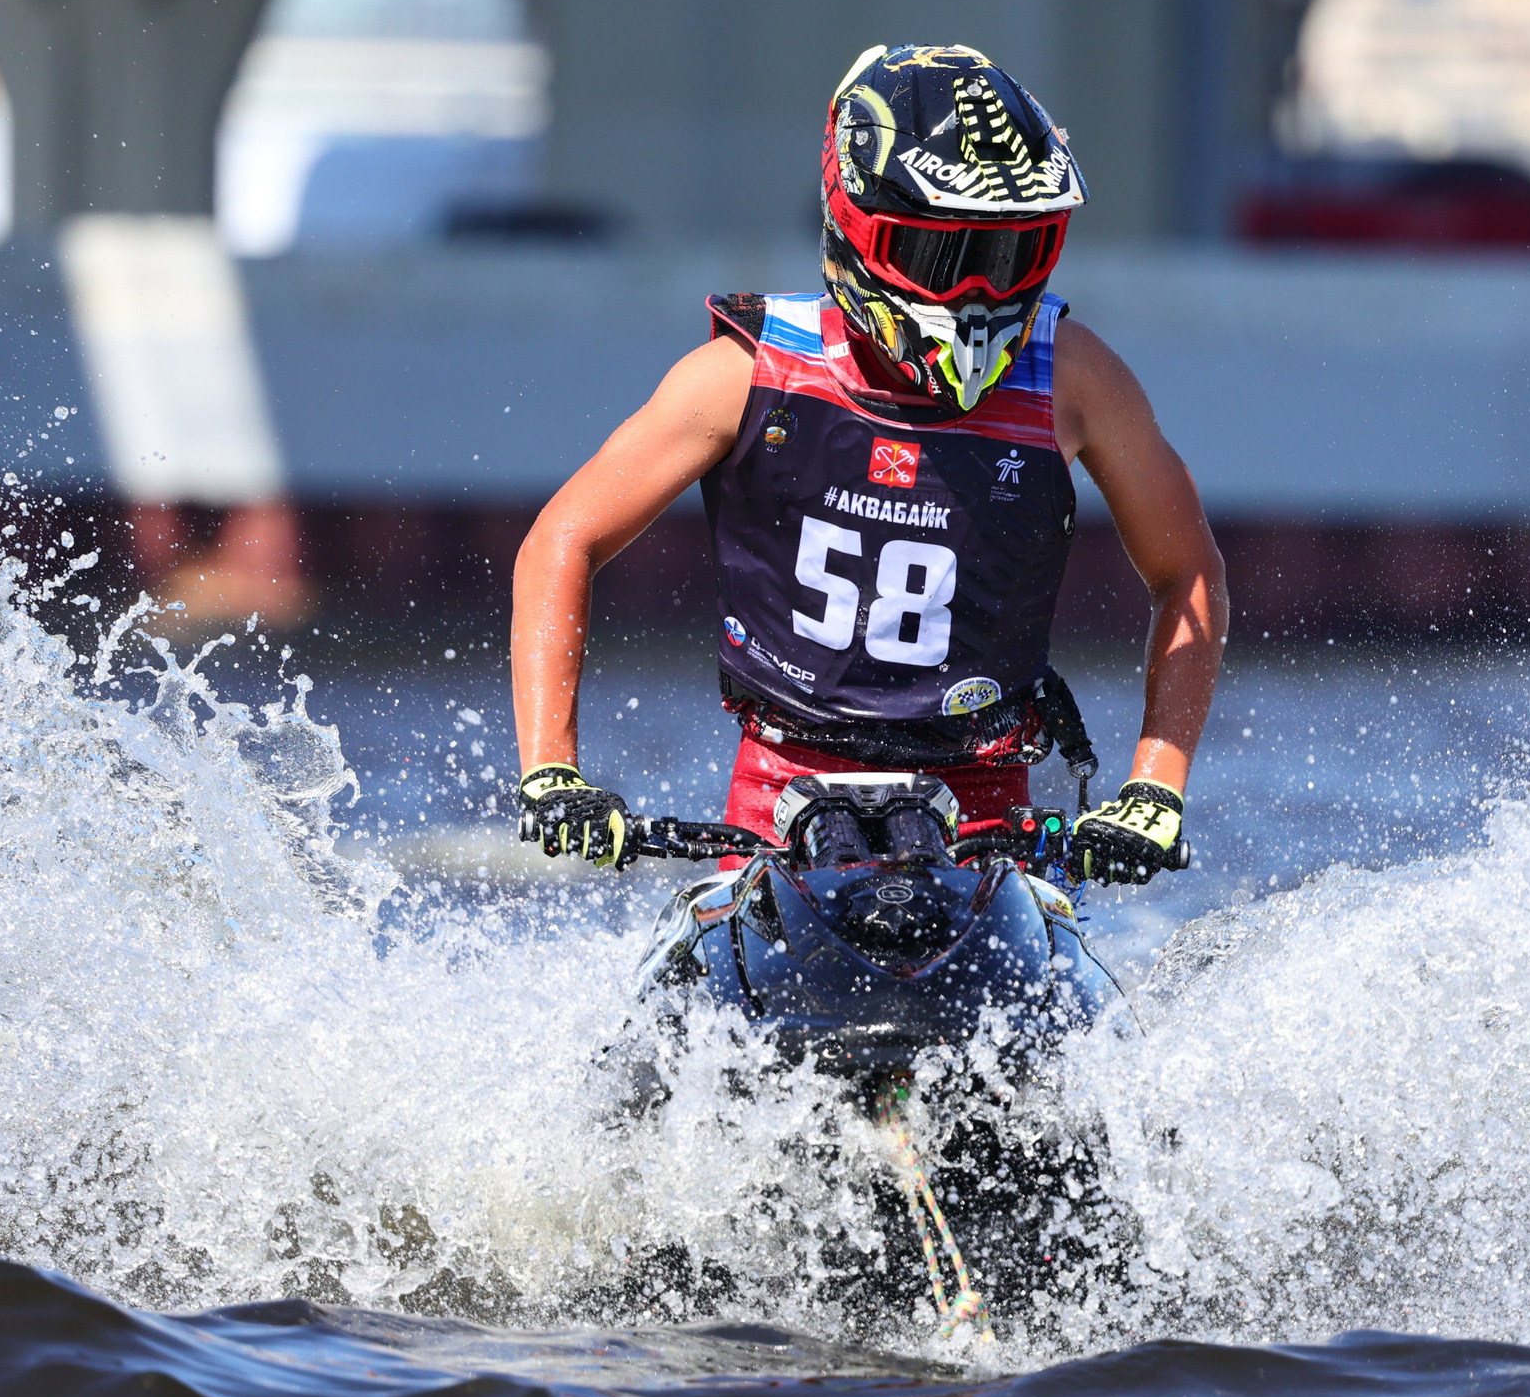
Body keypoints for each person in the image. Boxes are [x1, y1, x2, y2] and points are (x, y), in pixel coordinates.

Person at [510, 44, 1226, 884]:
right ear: (859, 228)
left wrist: (1156, 786)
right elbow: (562, 538)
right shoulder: (742, 377)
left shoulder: (1075, 381)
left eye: (1011, 255)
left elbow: (1188, 571)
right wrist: (552, 772)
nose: (980, 294)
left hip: (986, 821)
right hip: (777, 812)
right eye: (945, 256)